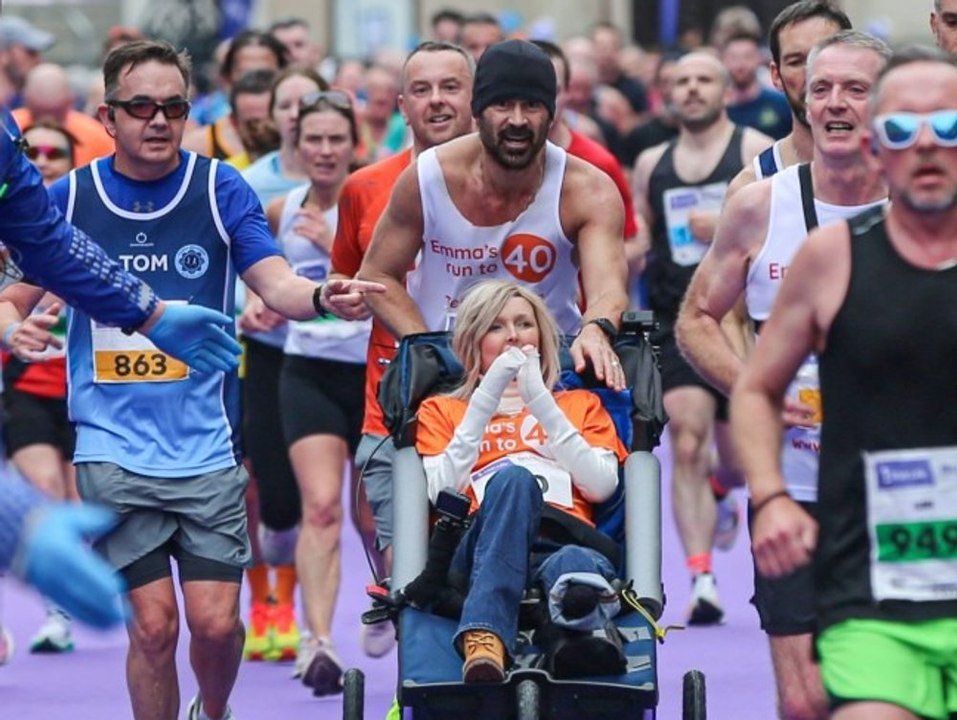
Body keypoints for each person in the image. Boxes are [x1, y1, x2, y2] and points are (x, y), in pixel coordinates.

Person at [0, 40, 380, 720]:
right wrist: (8, 326)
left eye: (172, 106)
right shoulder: (72, 196)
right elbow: (13, 293)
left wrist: (323, 297)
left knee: (213, 626)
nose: (158, 119)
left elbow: (277, 283)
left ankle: (213, 709)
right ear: (107, 117)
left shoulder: (217, 187)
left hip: (205, 448)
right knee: (153, 627)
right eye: (140, 106)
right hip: (111, 444)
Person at [732, 46, 957, 720]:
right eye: (898, 130)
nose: (923, 147)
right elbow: (755, 388)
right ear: (873, 147)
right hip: (872, 591)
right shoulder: (831, 259)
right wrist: (769, 496)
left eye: (945, 127)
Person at [676, 30, 890, 720]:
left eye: (854, 90)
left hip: (907, 497)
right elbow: (695, 320)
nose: (832, 104)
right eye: (820, 87)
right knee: (804, 703)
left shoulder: (928, 204)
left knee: (898, 691)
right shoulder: (760, 205)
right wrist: (753, 387)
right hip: (794, 493)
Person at [328, 40, 476, 655]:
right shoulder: (365, 187)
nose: (437, 101)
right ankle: (412, 690)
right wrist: (340, 297)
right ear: (401, 106)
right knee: (405, 562)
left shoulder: (514, 183)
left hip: (490, 404)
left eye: (451, 87)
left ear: (475, 100)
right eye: (423, 90)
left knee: (475, 558)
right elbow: (348, 276)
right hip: (394, 407)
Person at [416, 280, 628, 682]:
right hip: (479, 547)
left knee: (577, 569)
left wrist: (541, 404)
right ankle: (484, 633)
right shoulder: (441, 411)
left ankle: (579, 644)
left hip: (562, 539)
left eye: (524, 324)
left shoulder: (579, 404)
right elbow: (442, 492)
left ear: (542, 337)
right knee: (515, 480)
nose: (513, 335)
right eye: (495, 327)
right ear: (471, 343)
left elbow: (602, 486)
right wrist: (487, 396)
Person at [632, 50, 772, 625]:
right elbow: (641, 231)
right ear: (667, 91)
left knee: (739, 465)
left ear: (723, 91)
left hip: (736, 320)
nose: (691, 89)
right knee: (685, 437)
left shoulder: (750, 152)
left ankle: (721, 485)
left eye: (702, 80)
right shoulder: (649, 162)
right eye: (680, 80)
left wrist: (724, 226)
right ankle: (702, 575)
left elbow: (771, 227)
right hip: (674, 318)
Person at [262, 90, 371, 695]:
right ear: (297, 145)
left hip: (373, 373)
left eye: (336, 140)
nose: (325, 151)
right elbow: (265, 285)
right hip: (307, 369)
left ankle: (389, 601)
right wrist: (258, 308)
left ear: (353, 144)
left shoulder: (377, 198)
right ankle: (318, 641)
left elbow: (390, 279)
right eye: (314, 140)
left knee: (376, 515)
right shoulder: (281, 210)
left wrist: (333, 248)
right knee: (322, 506)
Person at [238, 64, 328, 667]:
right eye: (287, 106)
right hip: (271, 354)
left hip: (337, 356)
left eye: (308, 103)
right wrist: (251, 304)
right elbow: (240, 267)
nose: (297, 116)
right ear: (274, 115)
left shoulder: (362, 182)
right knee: (265, 487)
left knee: (317, 499)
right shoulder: (252, 183)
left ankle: (292, 603)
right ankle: (263, 599)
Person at [1, 119, 80, 655]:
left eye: (56, 151)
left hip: (84, 390)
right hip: (24, 382)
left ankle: (70, 595)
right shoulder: (11, 225)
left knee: (79, 505)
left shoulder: (84, 223)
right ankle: (56, 612)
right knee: (46, 493)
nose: (45, 158)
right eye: (36, 149)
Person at [728, 1, 852, 193]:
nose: (813, 72)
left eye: (824, 55)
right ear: (776, 76)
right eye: (796, 61)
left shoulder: (892, 171)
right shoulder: (750, 188)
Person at [12, 63, 115, 167]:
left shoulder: (98, 137)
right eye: (39, 112)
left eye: (56, 112)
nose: (47, 122)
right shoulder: (7, 130)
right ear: (26, 101)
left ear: (71, 101)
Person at [721, 32, 793, 141]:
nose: (740, 64)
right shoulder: (719, 109)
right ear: (724, 60)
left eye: (747, 56)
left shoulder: (782, 103)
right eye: (734, 57)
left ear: (759, 59)